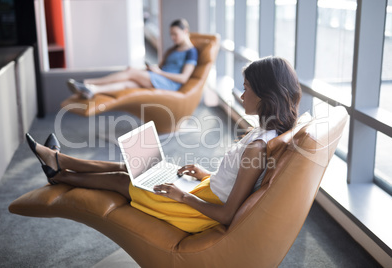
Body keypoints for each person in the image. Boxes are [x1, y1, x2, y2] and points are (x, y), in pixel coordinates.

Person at [26, 56, 302, 233]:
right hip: (205, 190)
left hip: (201, 209)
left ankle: (59, 171)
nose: (241, 95)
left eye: (246, 89)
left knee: (126, 181)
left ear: (266, 94)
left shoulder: (258, 146)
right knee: (135, 168)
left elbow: (228, 214)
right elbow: (236, 181)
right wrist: (206, 175)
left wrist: (182, 196)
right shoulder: (269, 132)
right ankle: (59, 163)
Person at [67, 18, 198, 99]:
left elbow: (183, 78)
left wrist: (159, 72)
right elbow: (160, 67)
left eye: (175, 34)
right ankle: (92, 90)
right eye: (171, 34)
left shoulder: (191, 52)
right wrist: (153, 69)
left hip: (170, 84)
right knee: (128, 84)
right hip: (159, 77)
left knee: (130, 71)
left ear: (185, 31)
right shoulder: (172, 49)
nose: (173, 37)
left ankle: (85, 82)